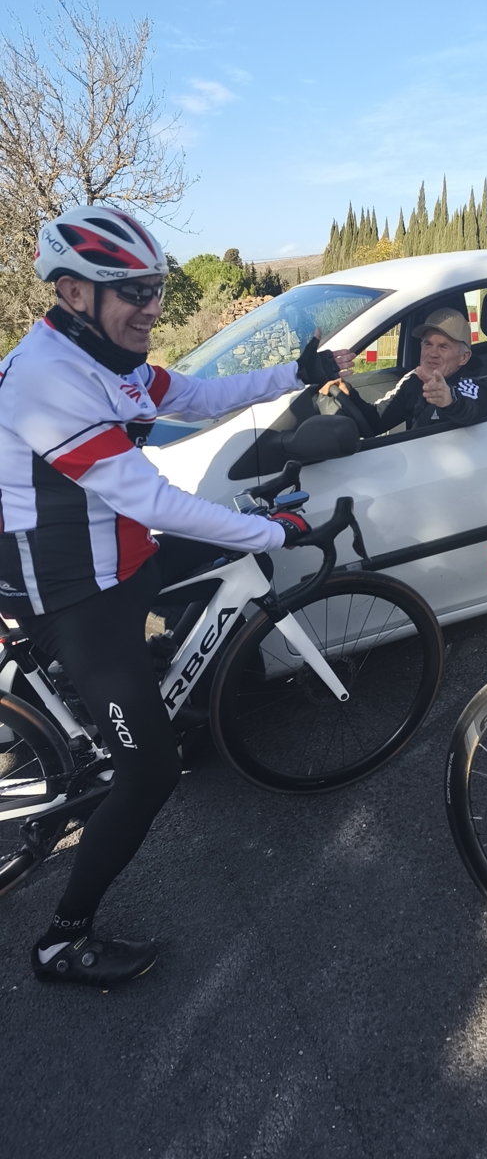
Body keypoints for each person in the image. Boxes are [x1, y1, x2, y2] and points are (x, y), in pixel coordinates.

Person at [0, 205, 353, 989]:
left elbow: (195, 396)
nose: (152, 307)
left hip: (119, 561)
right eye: (133, 290)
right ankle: (63, 940)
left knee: (220, 555)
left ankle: (166, 701)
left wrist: (296, 374)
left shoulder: (106, 355)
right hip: (75, 595)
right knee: (148, 774)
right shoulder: (47, 379)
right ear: (73, 292)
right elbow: (151, 498)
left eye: (156, 288)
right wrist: (270, 532)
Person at [310, 307, 487, 436]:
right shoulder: (414, 379)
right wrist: (348, 392)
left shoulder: (470, 384)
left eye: (443, 347)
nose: (432, 353)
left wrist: (449, 400)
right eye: (427, 344)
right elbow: (376, 421)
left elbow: (472, 409)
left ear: (464, 357)